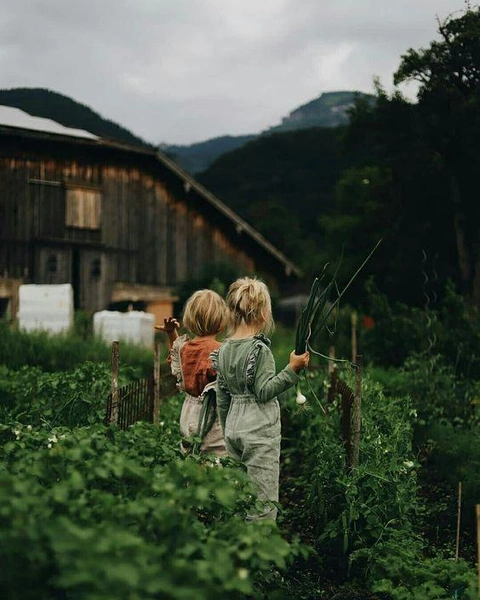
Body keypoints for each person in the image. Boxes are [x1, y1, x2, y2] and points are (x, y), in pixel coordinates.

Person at [210, 276, 309, 521]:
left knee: (239, 493)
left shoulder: (223, 349)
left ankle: (238, 547)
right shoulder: (259, 350)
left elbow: (222, 397)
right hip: (258, 429)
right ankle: (260, 551)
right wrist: (292, 369)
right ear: (264, 314)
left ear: (233, 313)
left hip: (233, 427)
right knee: (262, 498)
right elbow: (264, 391)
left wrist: (227, 430)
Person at [155, 289, 229, 457]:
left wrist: (171, 333)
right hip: (211, 412)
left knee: (191, 453)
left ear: (190, 318)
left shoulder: (185, 348)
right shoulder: (220, 351)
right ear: (221, 320)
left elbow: (177, 360)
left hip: (189, 411)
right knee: (216, 455)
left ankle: (192, 482)